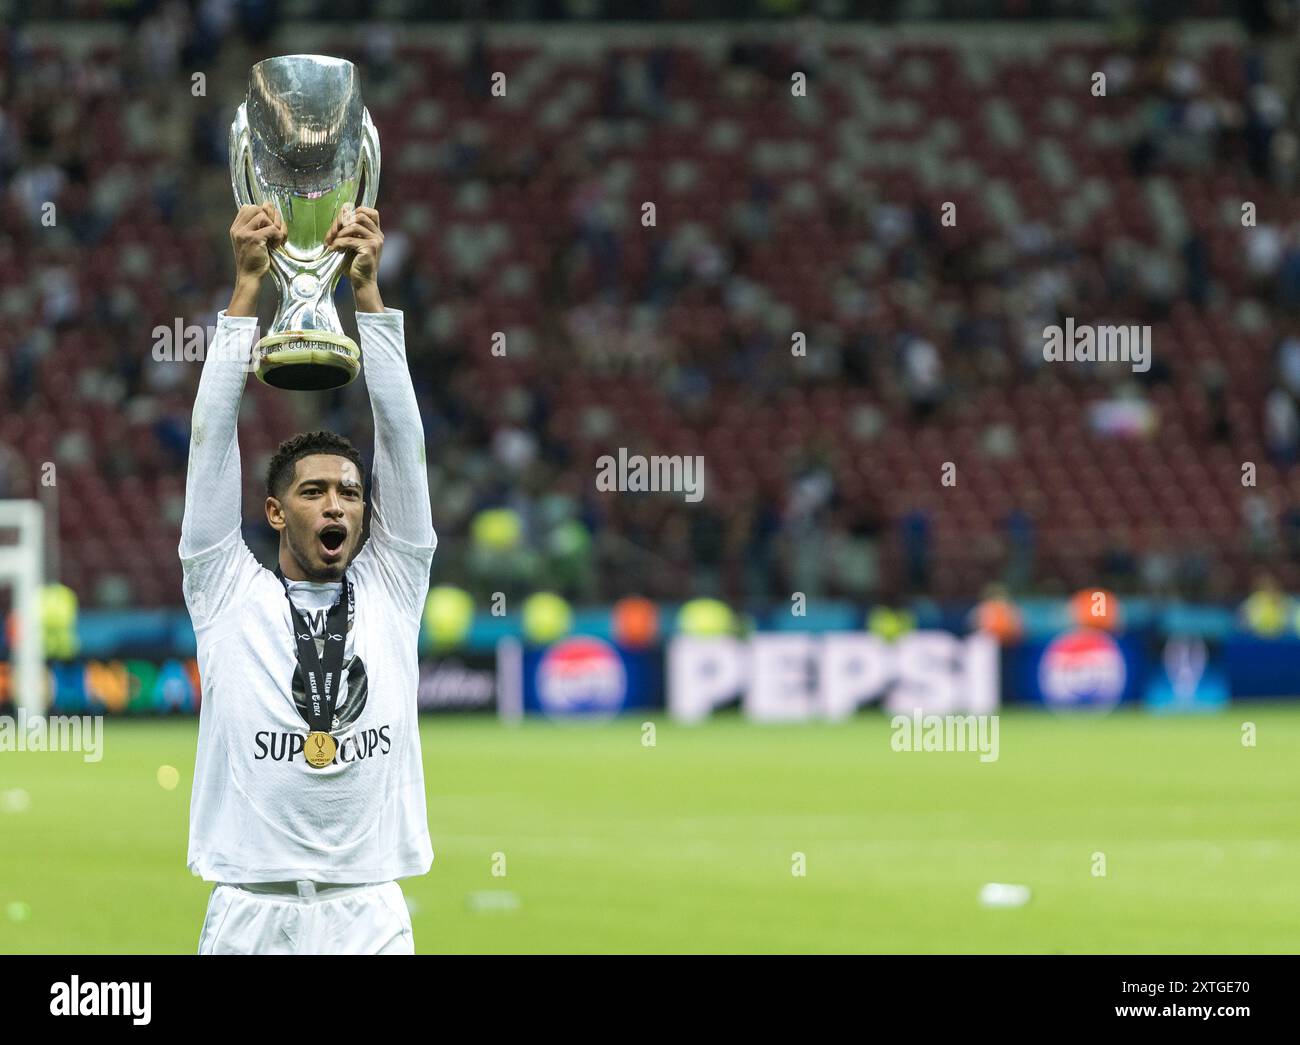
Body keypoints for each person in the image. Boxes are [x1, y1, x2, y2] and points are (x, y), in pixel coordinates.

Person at [180, 201, 436, 954]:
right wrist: (244, 295)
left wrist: (369, 298)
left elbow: (404, 443)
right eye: (315, 490)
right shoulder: (226, 589)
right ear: (275, 510)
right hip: (252, 913)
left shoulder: (395, 585)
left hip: (367, 912)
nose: (338, 504)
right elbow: (208, 443)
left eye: (351, 492)